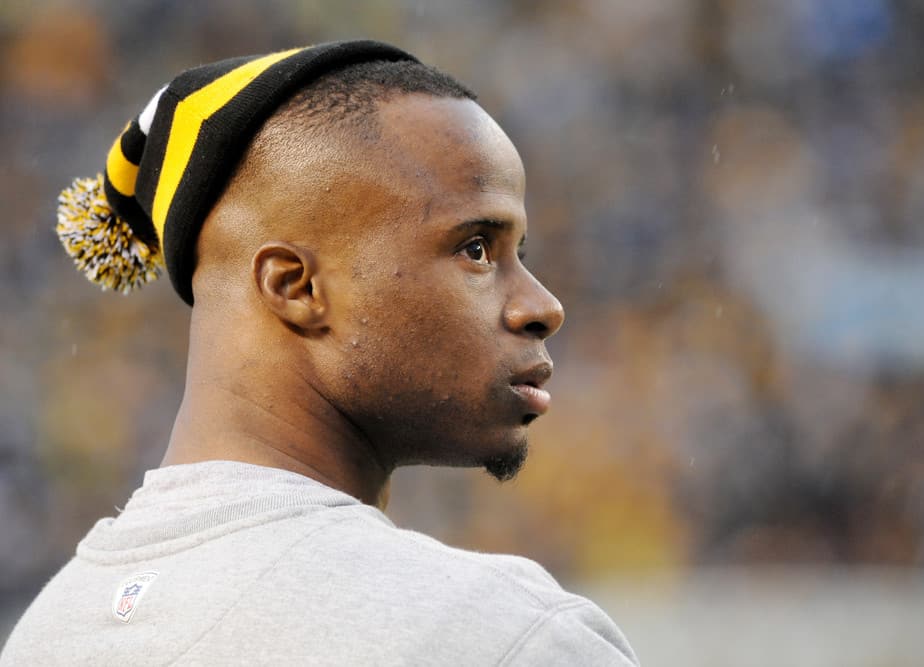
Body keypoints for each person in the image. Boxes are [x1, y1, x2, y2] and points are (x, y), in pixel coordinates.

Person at [1, 40, 638, 665]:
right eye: (476, 248)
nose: (543, 306)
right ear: (295, 286)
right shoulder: (506, 635)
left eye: (518, 255)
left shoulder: (48, 631)